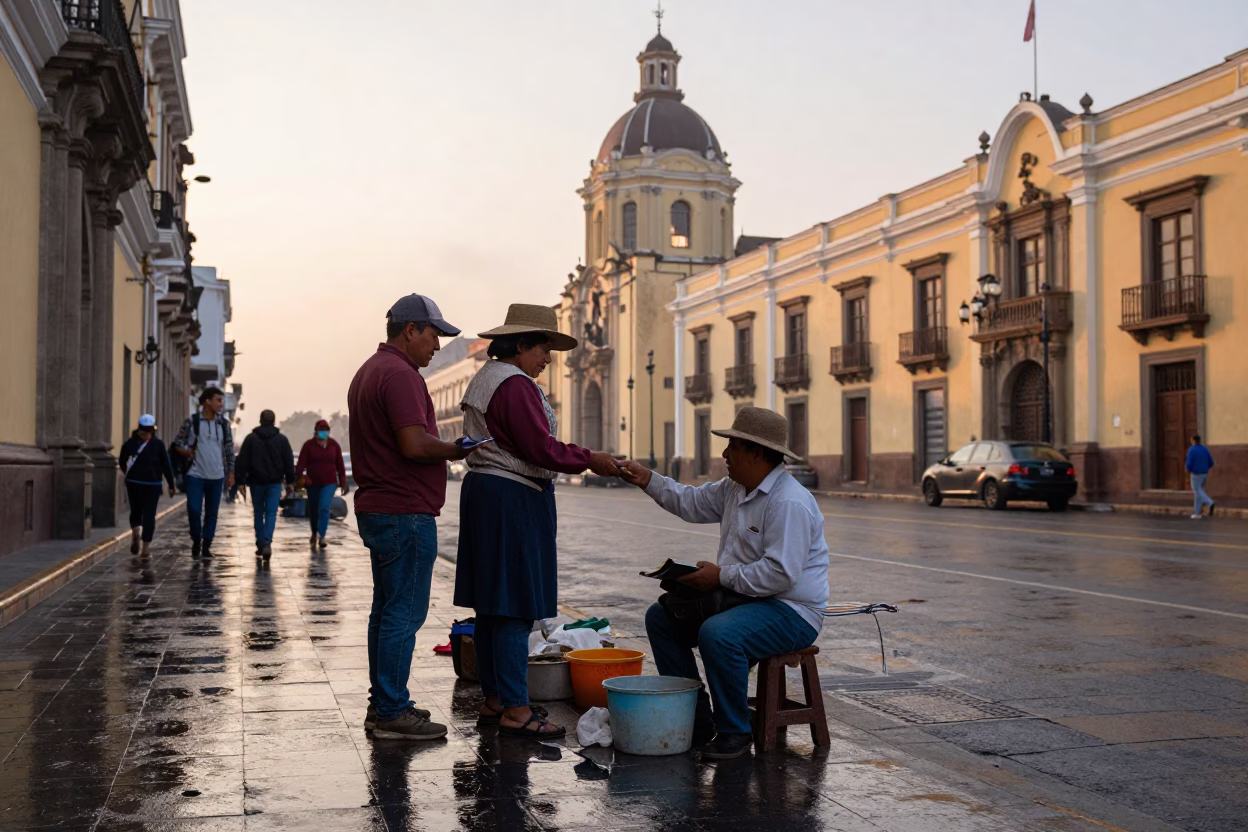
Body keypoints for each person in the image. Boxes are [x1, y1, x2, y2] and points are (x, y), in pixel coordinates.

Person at [618, 406, 830, 761]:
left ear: (757, 453)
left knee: (719, 634)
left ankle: (734, 730)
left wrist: (720, 576)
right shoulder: (734, 488)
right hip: (744, 598)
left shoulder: (789, 502)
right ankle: (697, 720)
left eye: (733, 445)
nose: (725, 453)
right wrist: (647, 479)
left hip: (792, 610)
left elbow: (780, 575)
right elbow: (690, 502)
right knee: (661, 618)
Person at [455, 304, 621, 740]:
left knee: (492, 607)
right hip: (510, 497)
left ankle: (495, 698)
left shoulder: (488, 379)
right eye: (543, 347)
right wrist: (592, 459)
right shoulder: (514, 384)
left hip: (489, 493)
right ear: (521, 344)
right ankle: (515, 708)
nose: (547, 357)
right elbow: (539, 448)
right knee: (512, 608)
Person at [348, 293, 477, 742]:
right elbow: (414, 445)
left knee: (385, 612)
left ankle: (384, 702)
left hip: (381, 508)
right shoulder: (400, 376)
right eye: (434, 335)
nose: (437, 347)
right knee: (403, 614)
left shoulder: (369, 370)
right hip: (403, 510)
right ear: (411, 330)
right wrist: (459, 449)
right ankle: (390, 712)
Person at [173, 387, 235, 558]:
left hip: (217, 476)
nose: (221, 404)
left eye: (222, 400)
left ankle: (207, 544)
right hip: (195, 474)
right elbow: (178, 442)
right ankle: (196, 539)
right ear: (207, 401)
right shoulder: (192, 422)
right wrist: (186, 451)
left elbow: (229, 449)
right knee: (193, 510)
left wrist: (231, 471)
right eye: (218, 400)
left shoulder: (223, 424)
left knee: (212, 512)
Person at [235, 410, 296, 559]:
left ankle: (260, 543)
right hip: (274, 483)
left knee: (258, 512)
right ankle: (267, 542)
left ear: (260, 420)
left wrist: (240, 481)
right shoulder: (282, 440)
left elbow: (242, 461)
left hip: (256, 482)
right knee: (271, 513)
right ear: (274, 421)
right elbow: (288, 461)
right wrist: (290, 481)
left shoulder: (250, 439)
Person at [118, 414, 177, 557]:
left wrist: (128, 473)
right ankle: (145, 549)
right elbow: (166, 465)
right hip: (153, 484)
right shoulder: (158, 445)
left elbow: (122, 461)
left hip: (133, 483)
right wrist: (171, 485)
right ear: (153, 429)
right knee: (149, 515)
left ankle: (136, 533)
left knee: (136, 511)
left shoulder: (129, 444)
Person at [296, 419, 348, 549]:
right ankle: (314, 532)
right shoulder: (308, 445)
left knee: (324, 508)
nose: (323, 433)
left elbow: (340, 465)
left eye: (325, 431)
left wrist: (343, 481)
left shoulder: (334, 445)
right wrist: (302, 477)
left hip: (329, 482)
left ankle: (322, 536)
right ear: (316, 432)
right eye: (321, 431)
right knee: (314, 510)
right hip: (313, 483)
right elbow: (300, 466)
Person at [1187, 434, 1216, 519]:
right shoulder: (1205, 449)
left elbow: (1189, 463)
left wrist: (1189, 470)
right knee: (1198, 492)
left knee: (1197, 490)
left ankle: (1209, 502)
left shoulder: (1192, 450)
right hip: (1204, 473)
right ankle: (1197, 512)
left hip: (1196, 473)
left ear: (1193, 441)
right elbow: (1211, 462)